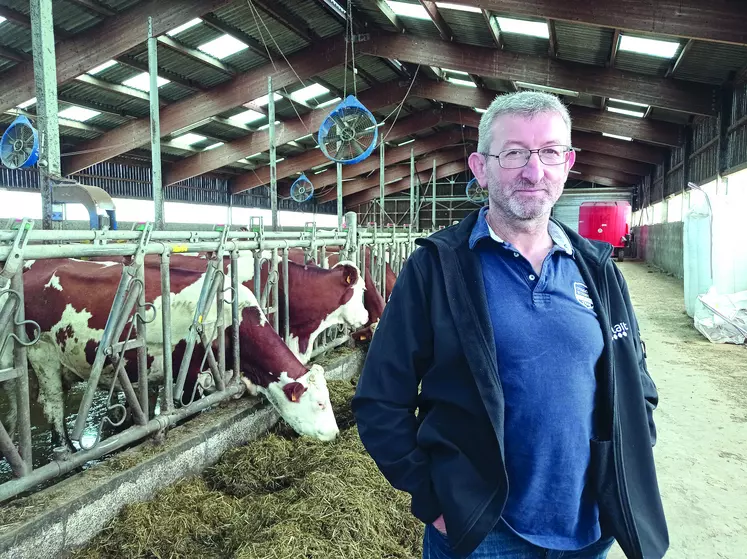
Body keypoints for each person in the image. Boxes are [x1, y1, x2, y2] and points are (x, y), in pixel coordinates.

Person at [351, 91, 668, 559]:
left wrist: (619, 467)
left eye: (548, 152)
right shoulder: (437, 268)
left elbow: (635, 382)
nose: (533, 170)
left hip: (588, 528)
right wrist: (434, 499)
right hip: (482, 532)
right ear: (480, 168)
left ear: (567, 162)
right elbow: (380, 399)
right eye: (514, 152)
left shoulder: (599, 269)